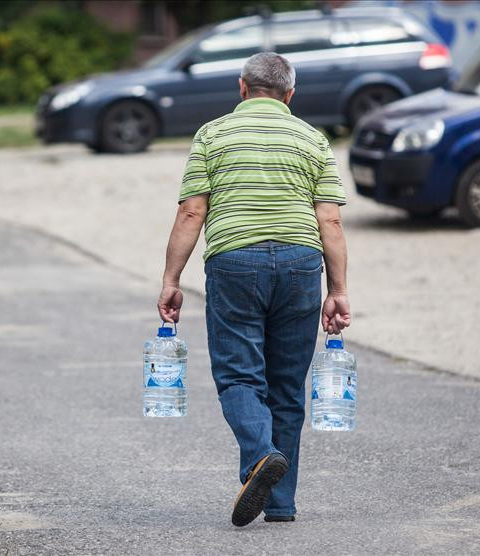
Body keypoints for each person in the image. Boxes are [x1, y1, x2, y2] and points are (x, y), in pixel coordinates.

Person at [157, 52, 351, 527]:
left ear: (241, 88)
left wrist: (170, 280)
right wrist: (338, 289)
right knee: (287, 386)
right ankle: (280, 504)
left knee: (240, 377)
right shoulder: (312, 139)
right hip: (302, 265)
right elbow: (330, 218)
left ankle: (261, 456)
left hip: (235, 262)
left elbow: (191, 213)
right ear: (290, 94)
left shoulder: (212, 134)